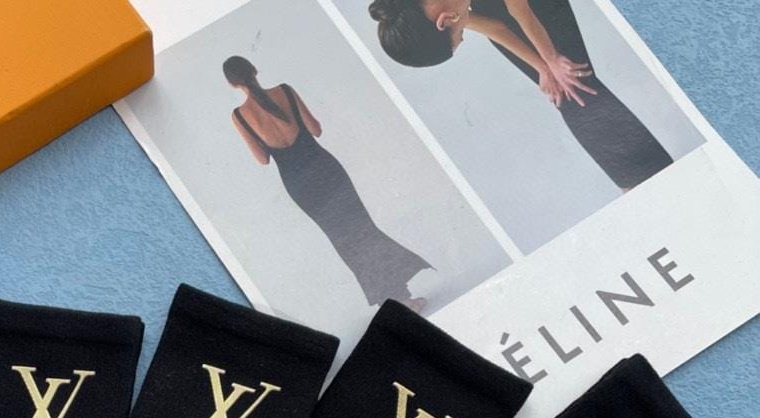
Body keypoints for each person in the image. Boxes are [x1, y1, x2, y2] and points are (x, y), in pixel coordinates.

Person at [369, 0, 673, 192]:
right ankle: (641, 179)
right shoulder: (439, 10)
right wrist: (542, 68)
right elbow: (496, 28)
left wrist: (552, 59)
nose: (463, 38)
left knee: (574, 84)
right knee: (563, 90)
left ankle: (650, 178)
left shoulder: (445, 10)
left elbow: (521, 10)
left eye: (458, 38)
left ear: (444, 22)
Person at [225, 56, 431, 312]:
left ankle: (392, 300)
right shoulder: (284, 91)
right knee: (363, 229)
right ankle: (401, 296)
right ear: (254, 70)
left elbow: (262, 159)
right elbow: (315, 129)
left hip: (299, 185)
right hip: (326, 169)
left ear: (232, 84)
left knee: (343, 240)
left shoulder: (239, 116)